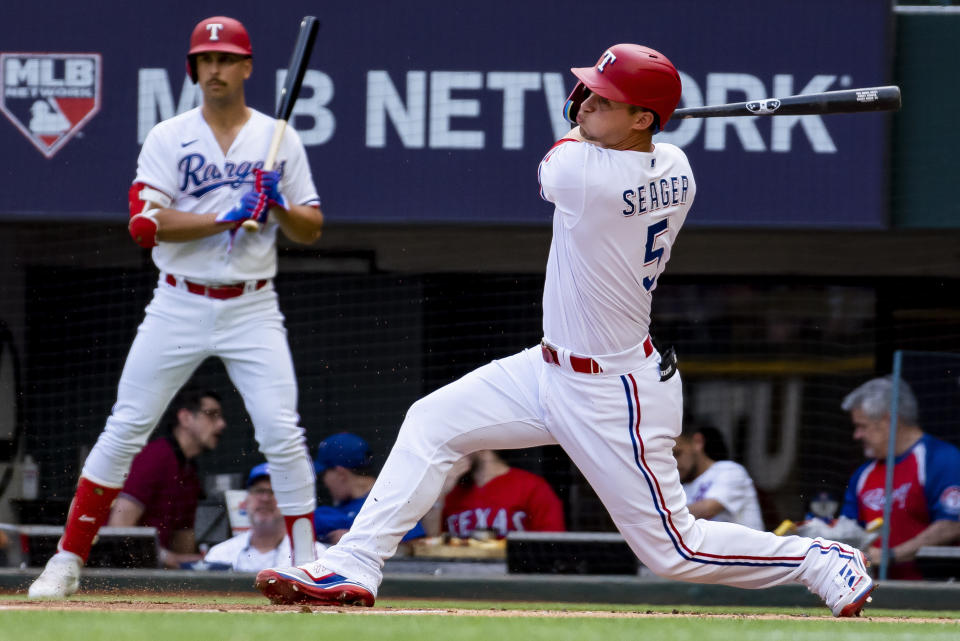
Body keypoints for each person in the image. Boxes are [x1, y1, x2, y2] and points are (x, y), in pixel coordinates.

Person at [255, 43, 874, 617]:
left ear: (642, 119)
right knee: (431, 421)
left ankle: (816, 557)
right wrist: (623, 113)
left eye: (604, 97)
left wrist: (595, 121)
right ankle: (353, 565)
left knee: (673, 552)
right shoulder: (677, 165)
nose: (586, 101)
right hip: (549, 367)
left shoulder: (585, 175)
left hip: (616, 390)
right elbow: (610, 137)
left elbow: (568, 147)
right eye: (590, 91)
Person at [29, 16, 323, 599]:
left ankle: (309, 564)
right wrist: (227, 214)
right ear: (194, 69)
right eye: (204, 60)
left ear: (246, 67)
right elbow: (146, 225)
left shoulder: (278, 137)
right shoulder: (170, 135)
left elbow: (310, 226)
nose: (213, 69)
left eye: (224, 59)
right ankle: (66, 559)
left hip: (252, 306)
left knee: (282, 433)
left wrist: (278, 203)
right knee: (127, 426)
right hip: (179, 301)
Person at [838, 376, 960, 579]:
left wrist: (891, 556)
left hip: (934, 593)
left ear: (888, 420)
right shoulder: (863, 474)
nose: (857, 435)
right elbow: (848, 530)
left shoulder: (941, 460)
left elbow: (952, 524)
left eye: (862, 426)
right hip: (871, 594)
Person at [107, 388, 226, 568]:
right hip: (113, 571)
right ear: (185, 418)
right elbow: (117, 529)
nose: (221, 424)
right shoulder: (155, 456)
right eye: (212, 415)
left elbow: (183, 545)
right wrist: (166, 557)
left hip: (153, 576)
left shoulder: (190, 473)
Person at [203, 463, 325, 572]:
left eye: (274, 492)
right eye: (259, 491)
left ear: (289, 501)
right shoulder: (219, 554)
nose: (265, 498)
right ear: (246, 499)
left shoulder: (315, 555)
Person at [312, 432, 426, 544]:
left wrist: (360, 542)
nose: (324, 482)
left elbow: (414, 549)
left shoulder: (390, 502)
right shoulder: (339, 509)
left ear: (340, 473)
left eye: (324, 474)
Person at [423, 450, 565, 538]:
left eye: (460, 448)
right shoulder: (451, 490)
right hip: (459, 576)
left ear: (481, 446)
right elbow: (431, 544)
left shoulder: (531, 486)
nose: (454, 455)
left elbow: (552, 542)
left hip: (513, 577)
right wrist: (440, 493)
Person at [673, 425, 764, 530]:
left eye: (677, 453)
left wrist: (664, 516)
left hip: (747, 546)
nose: (674, 462)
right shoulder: (680, 489)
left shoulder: (729, 470)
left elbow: (708, 509)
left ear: (698, 442)